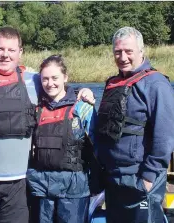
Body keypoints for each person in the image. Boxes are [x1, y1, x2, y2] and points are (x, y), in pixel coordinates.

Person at [0, 27, 95, 223]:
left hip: (20, 182)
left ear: (20, 53)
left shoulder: (33, 80)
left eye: (11, 50)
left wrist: (81, 91)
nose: (5, 55)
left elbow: (57, 90)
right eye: (0, 49)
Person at [96, 26, 174, 222]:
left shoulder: (156, 84)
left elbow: (165, 137)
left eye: (128, 51)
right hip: (114, 178)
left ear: (141, 52)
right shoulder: (112, 84)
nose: (122, 57)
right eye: (118, 52)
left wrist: (148, 178)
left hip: (140, 178)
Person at [26, 55, 101, 223]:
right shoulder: (36, 108)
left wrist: (98, 182)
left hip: (74, 188)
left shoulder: (82, 108)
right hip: (40, 187)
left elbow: (98, 147)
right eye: (45, 79)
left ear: (65, 78)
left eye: (55, 78)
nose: (50, 83)